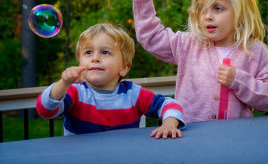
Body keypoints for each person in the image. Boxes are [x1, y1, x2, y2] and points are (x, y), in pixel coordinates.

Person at [132, 0, 268, 123]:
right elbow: (151, 36)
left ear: (240, 13)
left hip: (236, 140)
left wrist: (239, 80)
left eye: (217, 8)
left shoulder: (255, 51)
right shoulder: (188, 44)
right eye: (202, 9)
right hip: (191, 138)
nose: (208, 16)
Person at [36, 23, 185, 139]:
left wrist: (169, 123)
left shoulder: (132, 93)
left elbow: (169, 104)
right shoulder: (75, 91)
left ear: (124, 68)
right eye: (88, 52)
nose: (95, 58)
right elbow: (45, 111)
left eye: (105, 52)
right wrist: (63, 83)